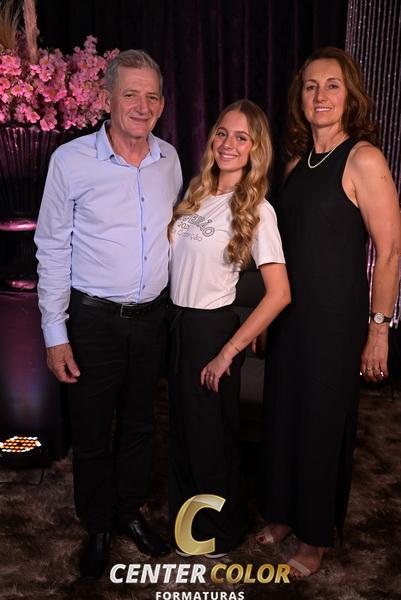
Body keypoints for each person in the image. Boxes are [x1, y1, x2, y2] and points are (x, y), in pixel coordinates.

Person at [34, 49, 182, 578]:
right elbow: (52, 247)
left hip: (152, 318)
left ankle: (128, 511)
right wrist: (55, 334)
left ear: (161, 104)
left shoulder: (170, 159)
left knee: (141, 423)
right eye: (130, 94)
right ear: (106, 99)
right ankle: (96, 524)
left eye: (152, 96)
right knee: (93, 429)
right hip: (93, 320)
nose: (142, 106)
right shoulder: (70, 161)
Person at [257, 47, 401, 578]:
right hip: (289, 315)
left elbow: (390, 251)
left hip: (336, 322)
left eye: (332, 85)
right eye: (311, 85)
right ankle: (280, 511)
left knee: (320, 423)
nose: (320, 95)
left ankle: (314, 536)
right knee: (282, 414)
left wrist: (379, 330)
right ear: (301, 96)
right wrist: (266, 318)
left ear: (350, 95)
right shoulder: (296, 163)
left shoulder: (363, 158)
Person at [168, 99, 291, 557]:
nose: (228, 143)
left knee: (212, 443)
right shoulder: (196, 193)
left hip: (212, 331)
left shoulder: (258, 209)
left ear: (256, 148)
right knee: (183, 433)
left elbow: (279, 293)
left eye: (242, 137)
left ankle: (218, 534)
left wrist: (228, 352)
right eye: (222, 132)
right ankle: (187, 531)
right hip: (178, 324)